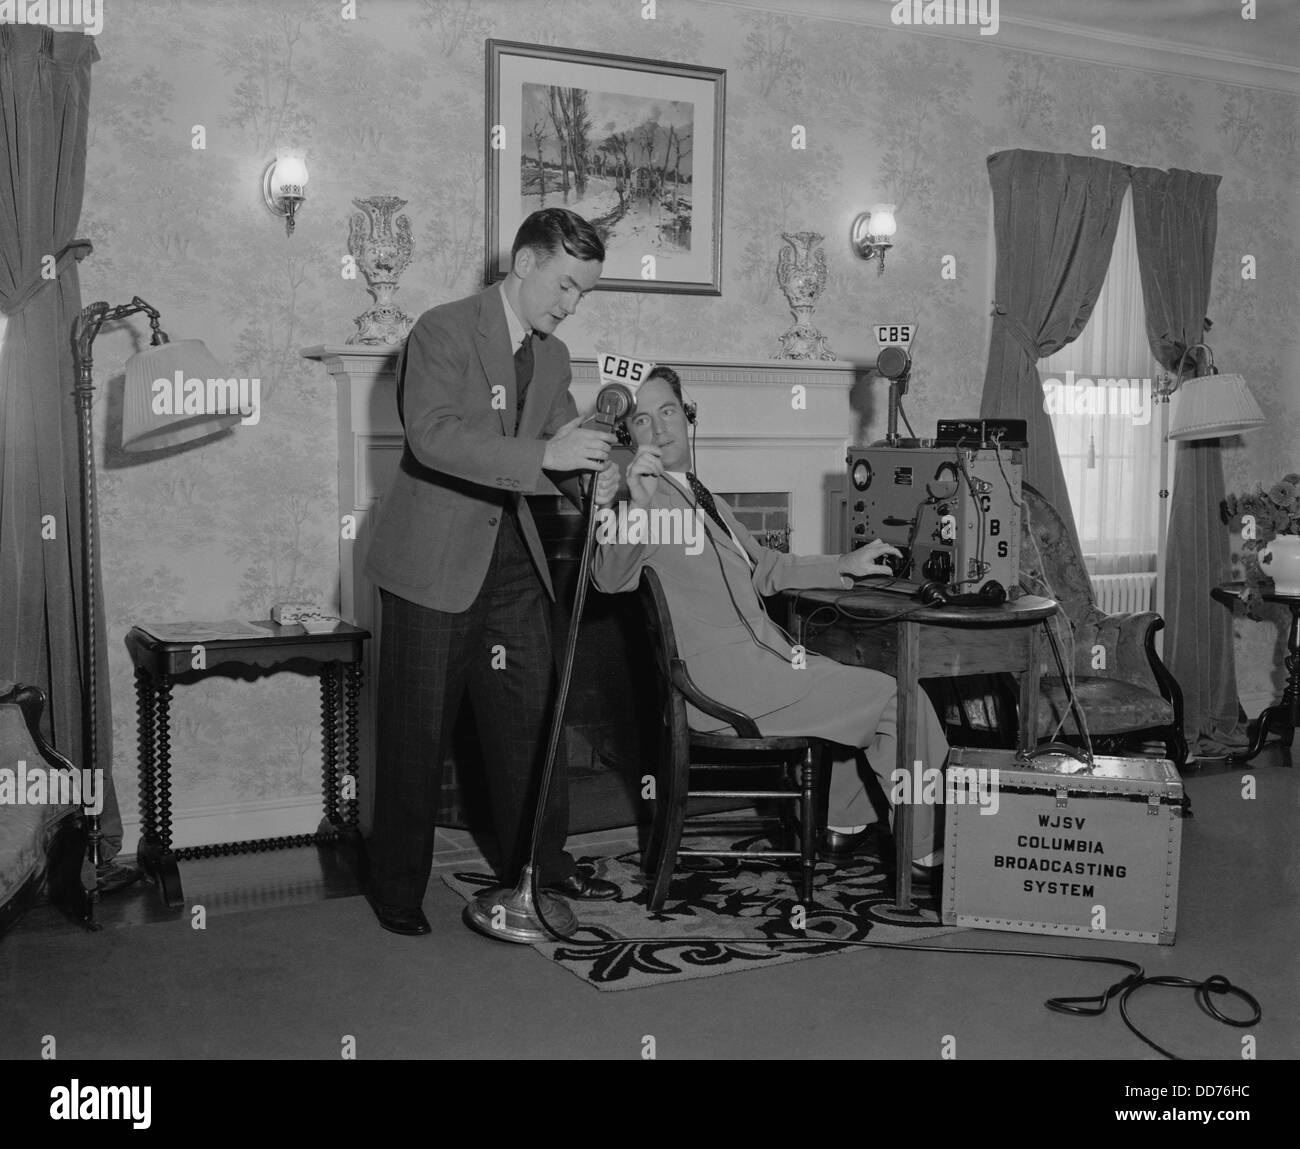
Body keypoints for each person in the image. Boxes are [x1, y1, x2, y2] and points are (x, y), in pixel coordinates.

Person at [363, 208, 622, 936]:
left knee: (531, 723)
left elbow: (562, 443)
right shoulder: (443, 329)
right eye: (565, 286)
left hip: (512, 562)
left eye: (583, 295)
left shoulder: (553, 356)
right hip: (432, 564)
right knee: (417, 734)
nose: (570, 306)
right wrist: (548, 458)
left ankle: (538, 870)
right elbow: (434, 436)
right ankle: (396, 892)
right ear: (525, 262)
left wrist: (611, 474)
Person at [591, 366, 949, 871]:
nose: (661, 428)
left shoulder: (701, 494)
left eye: (668, 411)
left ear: (687, 414)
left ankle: (842, 825)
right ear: (631, 436)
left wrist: (843, 563)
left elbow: (766, 568)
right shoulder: (647, 504)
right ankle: (923, 849)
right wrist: (634, 507)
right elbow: (608, 579)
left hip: (764, 667)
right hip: (727, 687)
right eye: (644, 421)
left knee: (866, 682)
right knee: (901, 699)